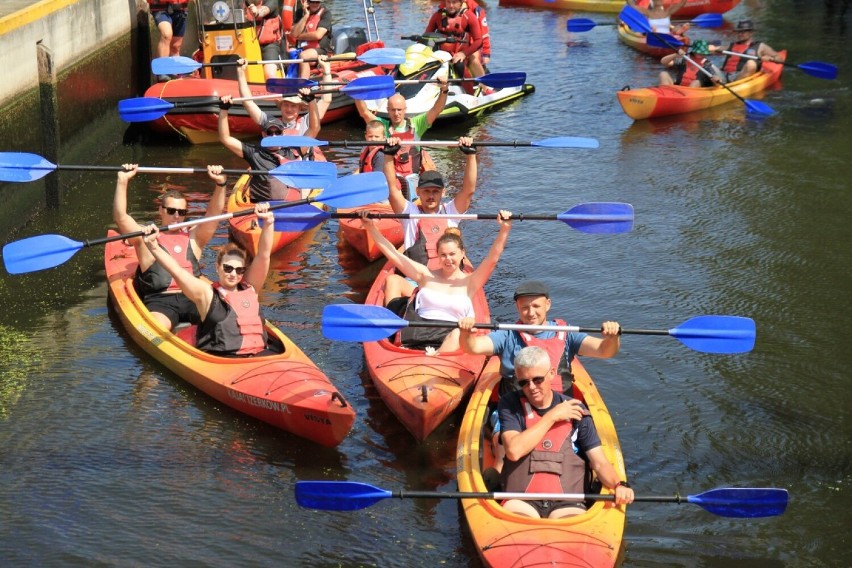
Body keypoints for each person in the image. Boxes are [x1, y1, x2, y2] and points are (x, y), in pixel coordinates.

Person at [458, 280, 620, 474]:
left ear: (548, 305)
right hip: (515, 409)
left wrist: (612, 337)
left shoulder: (566, 334)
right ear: (517, 308)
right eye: (524, 307)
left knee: (575, 446)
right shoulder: (507, 335)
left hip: (560, 405)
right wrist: (466, 333)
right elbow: (473, 347)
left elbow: (604, 351)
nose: (531, 312)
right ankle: (500, 480)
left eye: (536, 306)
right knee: (502, 448)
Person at [497, 346, 634, 518]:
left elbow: (599, 462)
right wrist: (553, 416)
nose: (531, 387)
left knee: (570, 525)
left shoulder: (577, 410)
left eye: (538, 380)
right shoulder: (510, 404)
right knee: (519, 520)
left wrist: (619, 484)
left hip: (568, 503)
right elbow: (513, 451)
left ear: (552, 373)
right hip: (521, 501)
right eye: (524, 382)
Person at [360, 210, 512, 354]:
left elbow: (493, 258)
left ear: (462, 254)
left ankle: (435, 358)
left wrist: (505, 229)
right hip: (415, 333)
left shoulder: (471, 281)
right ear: (438, 256)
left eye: (452, 254)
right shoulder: (425, 275)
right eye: (443, 255)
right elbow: (393, 255)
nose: (448, 259)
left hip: (450, 340)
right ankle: (398, 342)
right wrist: (370, 227)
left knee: (458, 332)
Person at [141, 203, 276, 357]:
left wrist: (268, 222)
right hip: (225, 360)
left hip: (259, 355)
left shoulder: (250, 287)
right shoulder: (206, 294)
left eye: (239, 270)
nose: (233, 274)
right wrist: (153, 246)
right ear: (218, 267)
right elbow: (176, 270)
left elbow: (264, 255)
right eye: (228, 268)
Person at [112, 164, 228, 331]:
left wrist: (221, 184)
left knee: (221, 323)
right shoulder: (146, 237)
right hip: (161, 301)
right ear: (161, 210)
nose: (176, 216)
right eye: (172, 210)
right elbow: (120, 217)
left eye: (181, 212)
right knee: (157, 328)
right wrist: (122, 181)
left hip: (193, 297)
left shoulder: (194, 237)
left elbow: (213, 215)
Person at [378, 136, 478, 306]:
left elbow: (468, 190)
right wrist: (388, 156)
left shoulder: (451, 211)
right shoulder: (410, 212)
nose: (431, 196)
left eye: (435, 191)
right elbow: (392, 190)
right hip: (417, 283)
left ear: (443, 193)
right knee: (393, 281)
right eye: (426, 191)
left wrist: (470, 155)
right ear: (418, 191)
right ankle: (394, 328)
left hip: (448, 282)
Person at [353, 78, 449, 185]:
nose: (396, 113)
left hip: (411, 178)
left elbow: (437, 109)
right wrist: (357, 93)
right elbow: (364, 113)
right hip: (390, 177)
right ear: (388, 110)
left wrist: (444, 90)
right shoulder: (382, 126)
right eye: (393, 110)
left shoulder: (416, 124)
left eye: (399, 110)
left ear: (405, 110)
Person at [235, 56, 331, 140]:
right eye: (286, 105)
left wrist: (326, 70)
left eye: (293, 106)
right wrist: (240, 72)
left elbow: (326, 100)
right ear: (280, 106)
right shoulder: (270, 122)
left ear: (299, 108)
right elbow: (248, 102)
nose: (289, 109)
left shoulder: (307, 122)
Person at [424, 0, 489, 93]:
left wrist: (463, 54)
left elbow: (479, 41)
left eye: (454, 2)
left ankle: (475, 91)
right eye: (448, 2)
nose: (451, 6)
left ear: (461, 3)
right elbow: (426, 35)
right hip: (442, 54)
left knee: (459, 64)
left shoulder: (469, 16)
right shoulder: (437, 16)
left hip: (462, 52)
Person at [709, 19, 785, 82]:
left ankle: (732, 84)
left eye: (743, 32)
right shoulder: (731, 45)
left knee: (751, 64)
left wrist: (771, 59)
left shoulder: (760, 46)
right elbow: (715, 49)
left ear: (750, 33)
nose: (740, 34)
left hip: (739, 77)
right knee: (707, 65)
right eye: (739, 32)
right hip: (723, 74)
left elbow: (780, 58)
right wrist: (712, 48)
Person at [287, 0, 333, 79]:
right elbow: (294, 33)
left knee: (304, 55)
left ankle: (304, 84)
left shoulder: (326, 14)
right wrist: (305, 16)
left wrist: (299, 36)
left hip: (321, 50)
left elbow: (318, 35)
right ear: (307, 2)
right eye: (312, 2)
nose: (315, 4)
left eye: (317, 2)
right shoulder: (300, 12)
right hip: (302, 47)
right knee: (290, 51)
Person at [147, 0, 189, 80]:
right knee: (166, 34)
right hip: (161, 9)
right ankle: (162, 72)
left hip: (180, 10)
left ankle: (176, 74)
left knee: (176, 47)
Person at [244, 0, 284, 80]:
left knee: (270, 74)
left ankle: (274, 89)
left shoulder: (272, 2)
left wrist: (256, 12)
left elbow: (262, 11)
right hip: (246, 44)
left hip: (269, 46)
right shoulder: (241, 4)